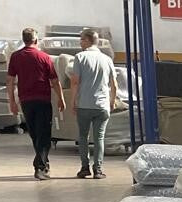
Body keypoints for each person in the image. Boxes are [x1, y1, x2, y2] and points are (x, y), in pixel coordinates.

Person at [7, 27, 64, 181]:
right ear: (36, 40)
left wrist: (12, 101)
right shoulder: (44, 57)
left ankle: (43, 164)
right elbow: (55, 80)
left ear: (23, 40)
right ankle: (40, 166)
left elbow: (10, 81)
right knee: (44, 134)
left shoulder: (15, 57)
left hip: (26, 100)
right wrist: (61, 98)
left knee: (35, 134)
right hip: (42, 99)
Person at [68, 28, 116, 180]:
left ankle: (84, 168)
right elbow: (114, 84)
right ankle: (98, 169)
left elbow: (75, 82)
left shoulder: (80, 57)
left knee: (83, 137)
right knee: (99, 138)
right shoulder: (107, 59)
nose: (80, 42)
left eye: (82, 39)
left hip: (84, 104)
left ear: (88, 40)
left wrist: (73, 101)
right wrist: (112, 101)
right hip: (102, 106)